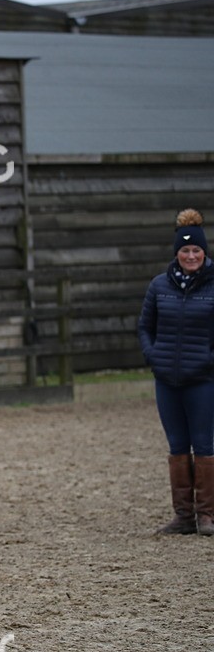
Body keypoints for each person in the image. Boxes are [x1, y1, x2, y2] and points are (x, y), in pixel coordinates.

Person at [138, 208, 214, 536]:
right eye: (185, 250)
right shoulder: (159, 286)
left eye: (196, 250)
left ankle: (207, 515)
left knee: (205, 444)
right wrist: (153, 356)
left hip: (203, 380)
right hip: (167, 379)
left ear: (204, 252)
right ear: (176, 253)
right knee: (177, 445)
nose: (191, 255)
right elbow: (145, 327)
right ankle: (183, 516)